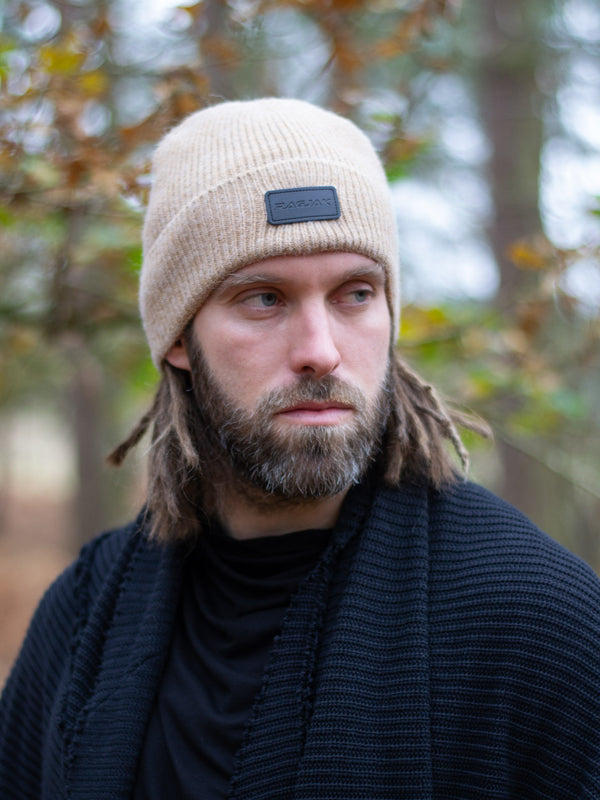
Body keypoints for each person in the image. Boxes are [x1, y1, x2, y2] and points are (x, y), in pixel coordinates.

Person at [1, 97, 599, 800]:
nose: (321, 351)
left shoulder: (538, 621)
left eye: (355, 293)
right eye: (264, 298)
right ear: (176, 337)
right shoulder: (83, 617)